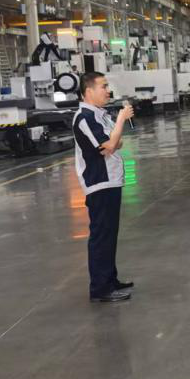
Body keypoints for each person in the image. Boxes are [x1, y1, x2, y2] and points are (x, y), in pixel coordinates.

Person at [74, 72, 135, 303]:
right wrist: (120, 121)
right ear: (89, 91)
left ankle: (110, 279)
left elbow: (117, 142)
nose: (108, 91)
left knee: (110, 234)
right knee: (101, 235)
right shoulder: (85, 117)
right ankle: (100, 288)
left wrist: (114, 135)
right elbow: (109, 145)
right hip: (99, 183)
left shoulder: (99, 115)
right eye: (104, 86)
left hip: (111, 180)